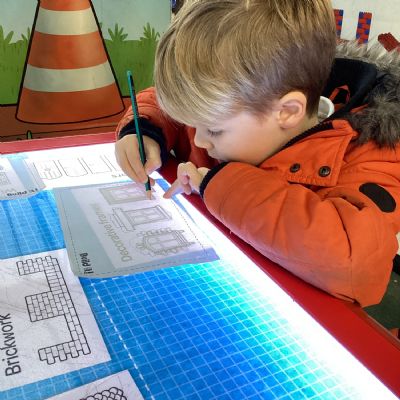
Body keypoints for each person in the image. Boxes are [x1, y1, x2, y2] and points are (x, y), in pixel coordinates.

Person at [115, 0, 400, 318]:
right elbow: (166, 102)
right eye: (194, 123)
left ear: (287, 112)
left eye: (213, 130)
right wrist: (143, 129)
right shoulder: (242, 102)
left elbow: (355, 265)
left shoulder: (374, 150)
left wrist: (220, 186)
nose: (198, 140)